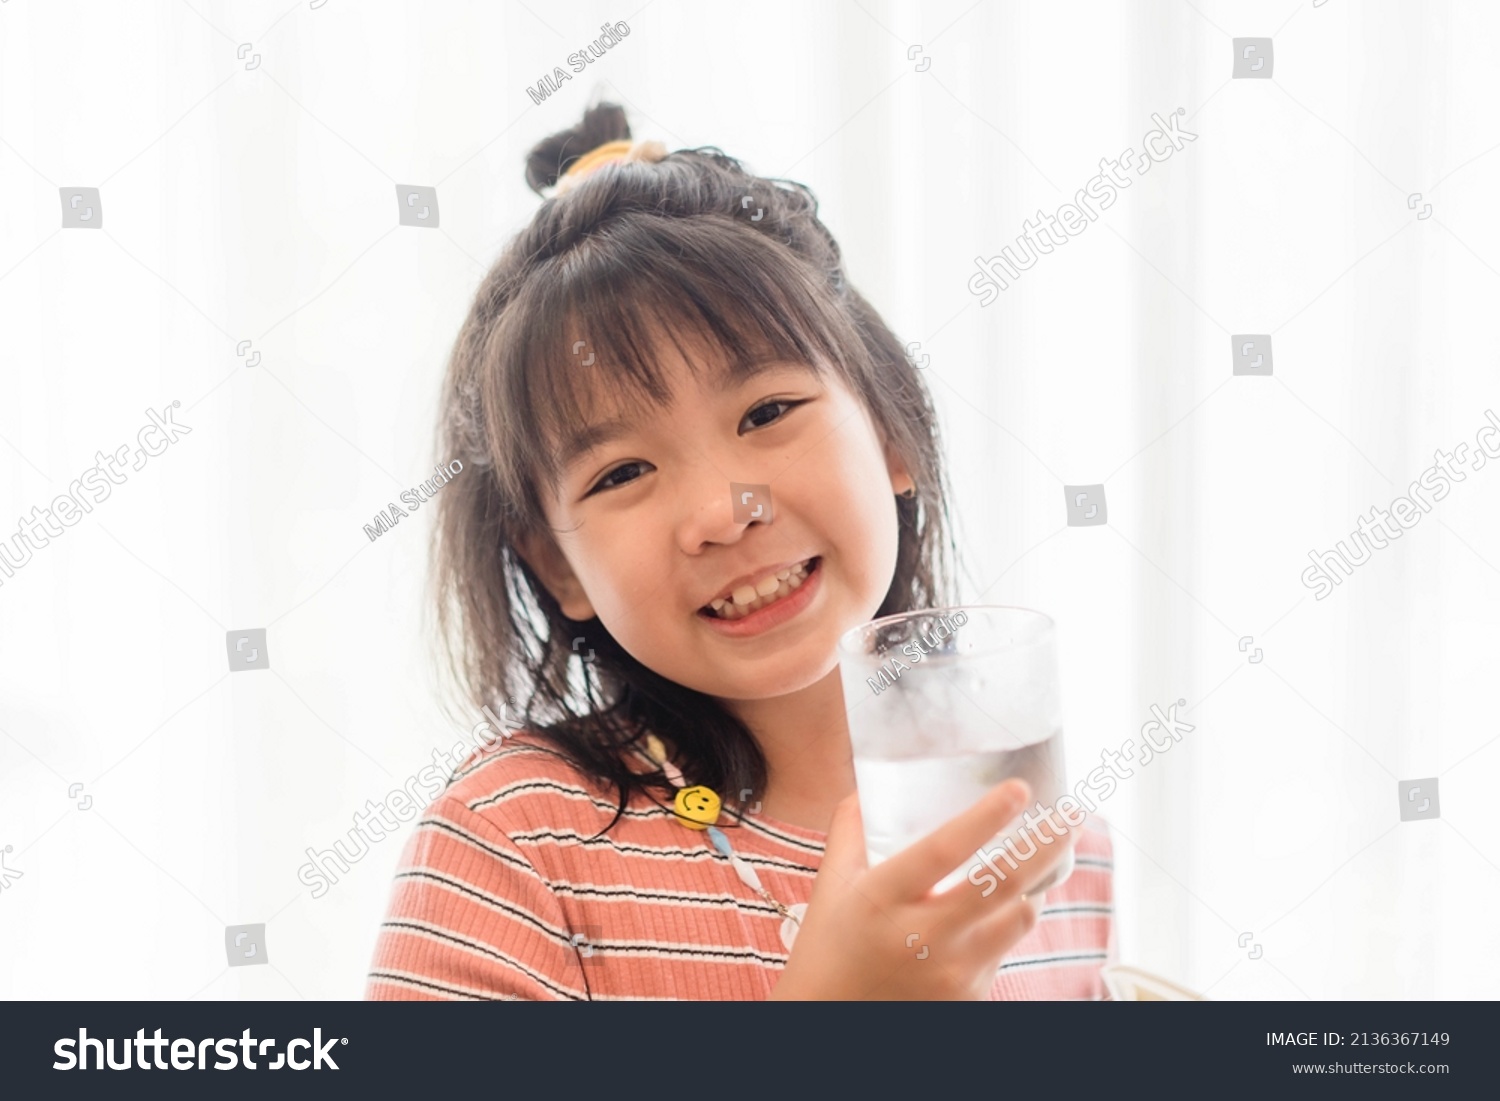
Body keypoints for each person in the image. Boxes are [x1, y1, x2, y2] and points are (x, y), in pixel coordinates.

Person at [365, 100, 1115, 1000]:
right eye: (623, 471)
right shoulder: (518, 843)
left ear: (891, 438)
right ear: (559, 566)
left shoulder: (1035, 826)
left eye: (765, 413)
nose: (724, 512)